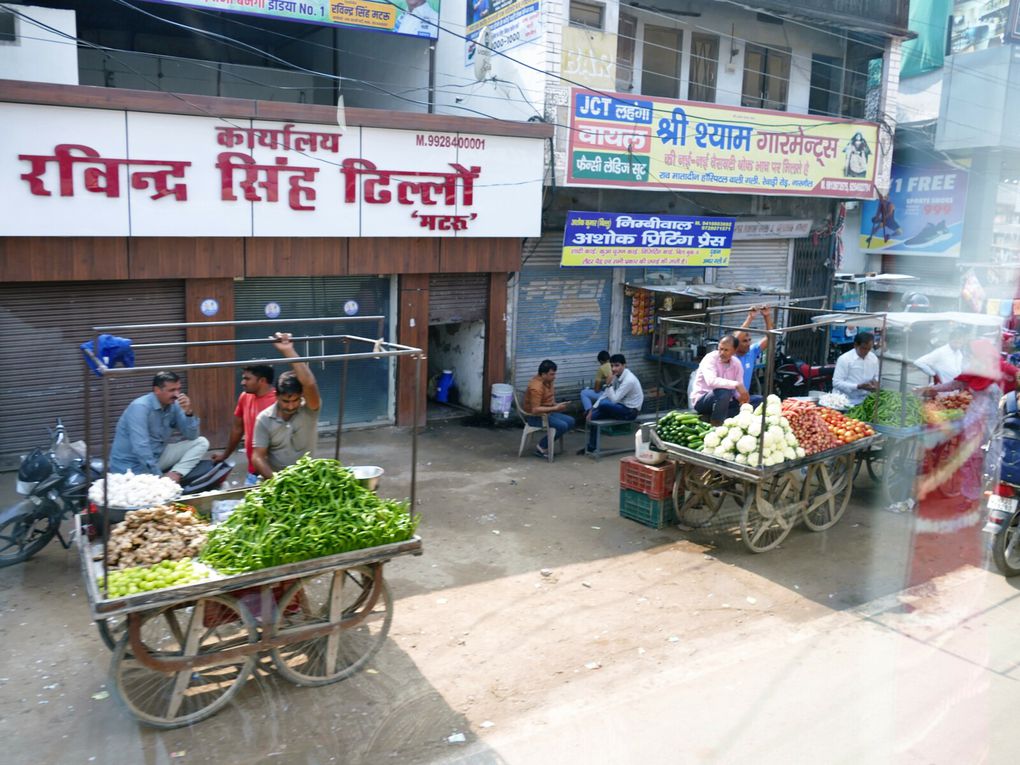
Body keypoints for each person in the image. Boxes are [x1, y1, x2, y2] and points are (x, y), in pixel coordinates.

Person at [109, 371, 209, 482]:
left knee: (201, 442)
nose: (177, 394)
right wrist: (159, 477)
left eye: (178, 389)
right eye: (172, 390)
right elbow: (141, 447)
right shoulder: (140, 407)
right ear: (157, 390)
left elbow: (192, 436)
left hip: (156, 456)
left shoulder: (174, 404)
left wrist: (189, 413)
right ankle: (162, 479)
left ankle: (175, 473)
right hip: (131, 466)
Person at [250, 333, 322, 479]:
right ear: (276, 396)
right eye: (285, 401)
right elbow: (257, 457)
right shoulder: (264, 419)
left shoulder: (309, 410)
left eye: (295, 400)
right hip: (275, 479)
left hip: (307, 479)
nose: (290, 406)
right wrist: (277, 483)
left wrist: (288, 351)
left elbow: (309, 383)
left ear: (301, 396)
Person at [212, 364, 276, 485]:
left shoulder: (278, 402)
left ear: (262, 380)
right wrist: (225, 455)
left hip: (274, 473)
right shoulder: (244, 397)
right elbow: (237, 429)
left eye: (247, 379)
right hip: (253, 473)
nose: (242, 382)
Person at [582, 354, 643, 454]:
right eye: (612, 366)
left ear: (624, 365)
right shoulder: (615, 376)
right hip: (620, 407)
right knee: (592, 416)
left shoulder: (629, 380)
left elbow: (614, 399)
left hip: (630, 412)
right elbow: (605, 395)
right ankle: (591, 447)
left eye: (617, 365)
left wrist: (609, 384)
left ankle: (591, 445)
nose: (614, 368)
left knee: (604, 404)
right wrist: (592, 410)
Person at [689, 336, 748, 426]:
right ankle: (717, 425)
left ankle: (727, 419)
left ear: (734, 351)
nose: (722, 353)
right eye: (720, 349)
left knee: (758, 400)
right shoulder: (710, 358)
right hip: (703, 401)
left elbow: (737, 390)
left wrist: (742, 398)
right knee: (724, 392)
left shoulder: (736, 363)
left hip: (725, 402)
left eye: (726, 350)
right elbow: (711, 381)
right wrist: (736, 384)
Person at [524, 359, 575, 459]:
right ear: (543, 374)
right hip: (535, 417)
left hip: (548, 412)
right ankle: (542, 447)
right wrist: (555, 408)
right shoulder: (536, 387)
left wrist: (557, 405)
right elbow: (535, 410)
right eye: (552, 374)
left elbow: (550, 400)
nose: (554, 377)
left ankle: (546, 444)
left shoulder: (548, 381)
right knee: (562, 426)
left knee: (571, 421)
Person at [736, 305, 772, 401]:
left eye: (749, 340)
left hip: (744, 398)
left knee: (763, 401)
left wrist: (767, 316)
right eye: (744, 341)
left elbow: (770, 338)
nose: (748, 343)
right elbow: (736, 339)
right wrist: (750, 318)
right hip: (730, 399)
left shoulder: (751, 351)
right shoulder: (731, 354)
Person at [832, 331, 880, 406]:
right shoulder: (844, 359)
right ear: (855, 345)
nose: (866, 351)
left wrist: (875, 384)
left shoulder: (873, 358)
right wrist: (858, 386)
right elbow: (836, 383)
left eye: (869, 349)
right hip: (844, 401)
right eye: (864, 348)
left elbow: (876, 376)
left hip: (865, 400)